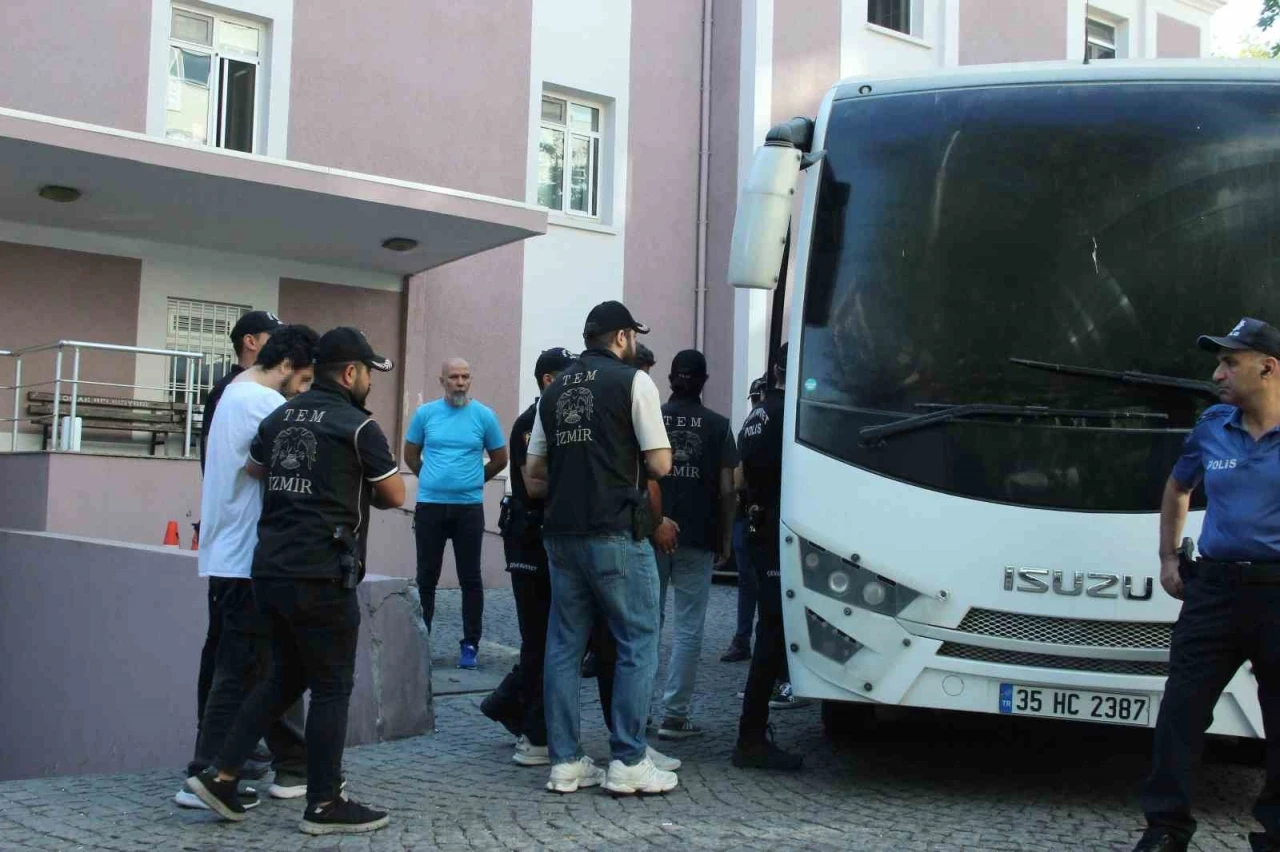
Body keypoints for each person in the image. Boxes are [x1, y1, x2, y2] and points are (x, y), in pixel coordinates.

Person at [186, 327, 404, 836]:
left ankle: (220, 775)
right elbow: (393, 495)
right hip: (323, 571)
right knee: (331, 686)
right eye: (367, 372)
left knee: (282, 676)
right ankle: (324, 801)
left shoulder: (279, 416)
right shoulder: (358, 426)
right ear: (350, 373)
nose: (370, 381)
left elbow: (255, 469)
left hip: (268, 568)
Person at [1135, 318, 1280, 852]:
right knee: (1181, 711)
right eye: (1218, 363)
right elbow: (1178, 487)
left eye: (1230, 363)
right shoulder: (1213, 426)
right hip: (1213, 592)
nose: (1217, 374)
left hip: (1277, 595)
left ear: (1268, 368)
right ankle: (1165, 829)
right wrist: (1168, 558)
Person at [524, 300, 679, 796]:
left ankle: (566, 761)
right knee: (637, 641)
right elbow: (660, 464)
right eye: (634, 335)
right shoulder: (634, 382)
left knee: (563, 647)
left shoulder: (553, 392)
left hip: (561, 533)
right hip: (615, 530)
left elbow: (533, 475)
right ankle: (629, 760)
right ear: (621, 337)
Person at [175, 325, 317, 811]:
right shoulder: (262, 403)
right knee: (239, 670)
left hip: (233, 554)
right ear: (286, 366)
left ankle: (289, 763)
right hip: (245, 557)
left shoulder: (235, 392)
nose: (302, 392)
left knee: (266, 664)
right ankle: (206, 773)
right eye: (303, 381)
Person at [483, 347, 620, 767]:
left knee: (567, 639)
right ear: (548, 380)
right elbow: (535, 485)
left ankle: (509, 705)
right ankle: (534, 733)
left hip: (553, 539)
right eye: (567, 375)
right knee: (543, 640)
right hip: (531, 542)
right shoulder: (532, 422)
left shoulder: (559, 419)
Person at [195, 310, 286, 771]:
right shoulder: (238, 393)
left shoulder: (241, 392)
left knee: (240, 655)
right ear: (252, 342)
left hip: (232, 542)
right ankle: (214, 757)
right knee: (229, 657)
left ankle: (230, 748)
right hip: (236, 545)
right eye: (274, 338)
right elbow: (240, 464)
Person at [654, 349, 738, 740]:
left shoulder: (652, 417)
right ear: (704, 382)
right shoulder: (718, 425)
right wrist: (726, 537)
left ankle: (638, 713)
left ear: (671, 378)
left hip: (652, 532)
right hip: (699, 534)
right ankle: (675, 715)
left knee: (646, 626)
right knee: (689, 629)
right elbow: (728, 488)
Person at [404, 358, 508, 670]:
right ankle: (421, 641)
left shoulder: (484, 416)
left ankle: (470, 643)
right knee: (426, 577)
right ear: (442, 381)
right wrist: (432, 478)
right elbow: (411, 455)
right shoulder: (425, 414)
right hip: (430, 507)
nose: (460, 383)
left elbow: (500, 458)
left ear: (470, 380)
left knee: (470, 578)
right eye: (453, 377)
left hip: (468, 509)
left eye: (465, 377)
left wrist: (474, 480)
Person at [733, 342, 803, 771]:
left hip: (759, 523)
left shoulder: (757, 413)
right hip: (777, 526)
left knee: (771, 626)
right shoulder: (787, 414)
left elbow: (740, 476)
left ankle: (753, 733)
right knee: (774, 630)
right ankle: (751, 736)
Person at [721, 376, 768, 663]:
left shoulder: (748, 428)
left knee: (748, 582)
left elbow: (737, 480)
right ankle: (759, 641)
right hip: (767, 511)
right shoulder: (777, 422)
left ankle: (743, 639)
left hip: (747, 512)